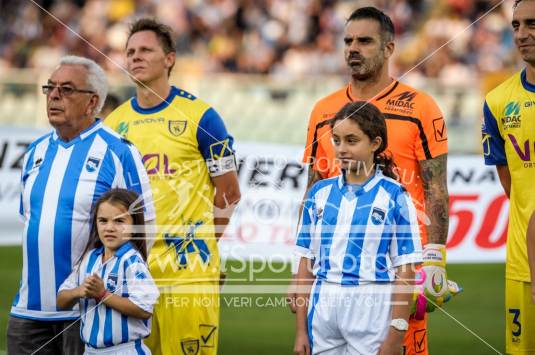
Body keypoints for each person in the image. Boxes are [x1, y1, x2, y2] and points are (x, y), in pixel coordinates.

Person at [291, 7, 451, 355]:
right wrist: (300, 268)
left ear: (389, 48)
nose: (353, 48)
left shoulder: (421, 107)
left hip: (399, 270)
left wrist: (436, 257)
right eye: (348, 40)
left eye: (364, 41)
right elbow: (312, 188)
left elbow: (437, 189)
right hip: (333, 279)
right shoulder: (323, 111)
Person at [105, 19, 241, 355]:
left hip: (187, 274)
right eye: (131, 52)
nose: (136, 57)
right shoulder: (113, 124)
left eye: (146, 50)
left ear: (169, 59)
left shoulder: (203, 117)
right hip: (130, 273)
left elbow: (229, 191)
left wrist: (206, 246)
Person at [7, 55, 155, 355]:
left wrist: (116, 291)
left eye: (67, 88)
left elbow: (143, 226)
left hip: (85, 314)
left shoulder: (117, 152)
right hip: (28, 311)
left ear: (92, 102)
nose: (54, 95)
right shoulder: (35, 152)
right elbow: (31, 220)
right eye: (50, 87)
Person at [293, 101, 422, 355]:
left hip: (372, 304)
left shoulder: (395, 196)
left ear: (375, 143)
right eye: (337, 140)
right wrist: (300, 332)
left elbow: (406, 270)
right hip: (324, 306)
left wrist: (396, 336)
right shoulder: (319, 193)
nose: (341, 149)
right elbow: (306, 262)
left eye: (352, 140)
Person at [482, 0, 535, 352]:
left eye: (532, 23)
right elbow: (511, 185)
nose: (522, 34)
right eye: (516, 25)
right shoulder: (498, 101)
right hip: (521, 263)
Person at [57, 188, 159, 355]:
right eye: (103, 221)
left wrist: (102, 294)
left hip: (124, 350)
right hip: (89, 351)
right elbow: (61, 300)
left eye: (119, 221)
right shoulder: (89, 259)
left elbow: (144, 309)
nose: (109, 227)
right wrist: (79, 291)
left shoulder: (133, 262)